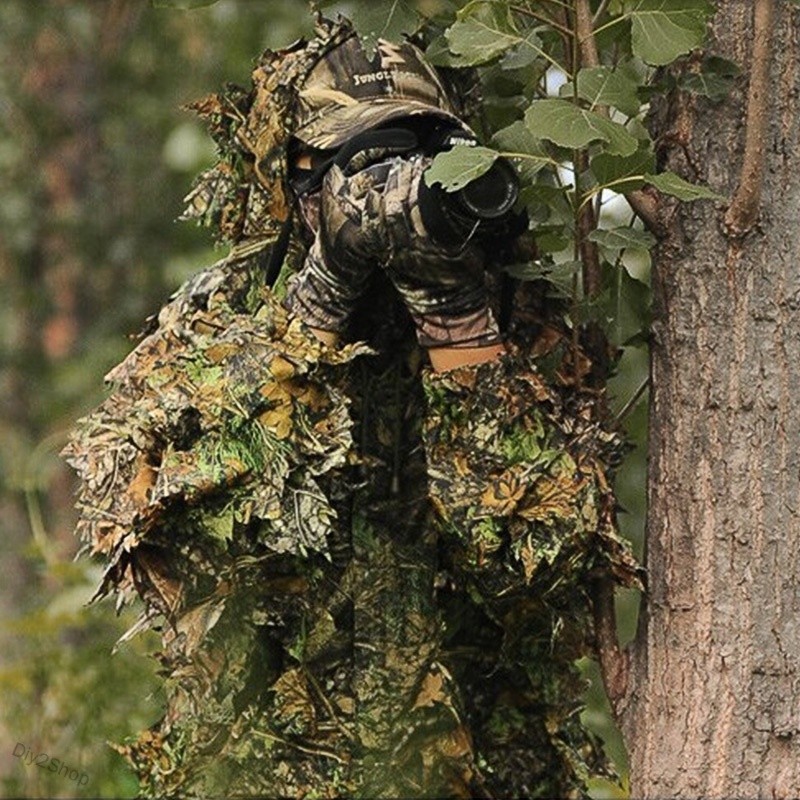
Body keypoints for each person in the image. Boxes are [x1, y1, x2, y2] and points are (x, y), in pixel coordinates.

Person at [64, 15, 640, 799]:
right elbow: (181, 538)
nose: (383, 193)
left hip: (481, 774)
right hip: (271, 768)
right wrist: (321, 303)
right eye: (353, 163)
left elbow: (536, 568)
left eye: (412, 155)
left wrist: (458, 326)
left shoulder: (518, 326)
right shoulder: (223, 319)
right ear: (297, 183)